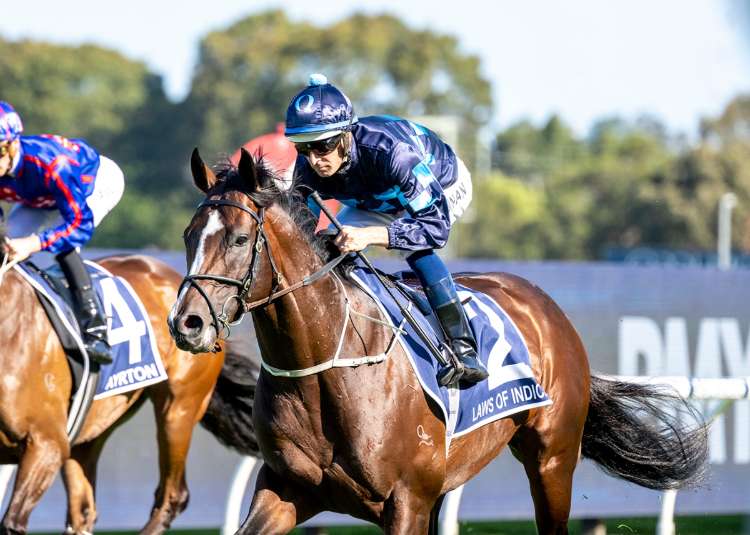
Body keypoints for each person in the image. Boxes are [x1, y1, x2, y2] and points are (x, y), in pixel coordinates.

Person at [285, 74, 488, 384]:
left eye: (322, 146)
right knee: (331, 251)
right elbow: (299, 232)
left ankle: (464, 350)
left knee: (415, 249)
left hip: (443, 185)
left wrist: (370, 236)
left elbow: (435, 229)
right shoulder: (307, 167)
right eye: (303, 148)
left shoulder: (393, 152)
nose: (314, 160)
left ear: (345, 135)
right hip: (377, 200)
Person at [0, 101, 125, 364]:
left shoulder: (54, 163)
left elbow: (79, 224)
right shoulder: (8, 162)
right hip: (39, 196)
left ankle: (95, 330)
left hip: (94, 184)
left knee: (64, 245)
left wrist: (34, 243)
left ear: (12, 145)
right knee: (8, 244)